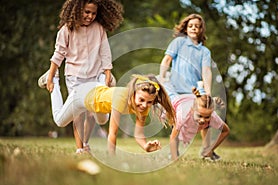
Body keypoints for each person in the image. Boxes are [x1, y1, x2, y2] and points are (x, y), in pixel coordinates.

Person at [38, 0, 123, 154]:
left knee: (96, 115)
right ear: (77, 10)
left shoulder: (99, 29)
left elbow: (105, 52)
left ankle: (85, 142)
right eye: (87, 12)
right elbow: (58, 55)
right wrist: (51, 77)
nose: (90, 16)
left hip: (96, 75)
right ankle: (80, 148)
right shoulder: (66, 30)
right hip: (75, 77)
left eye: (93, 13)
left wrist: (107, 75)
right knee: (79, 113)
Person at [38, 72, 176, 154]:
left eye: (149, 102)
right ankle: (54, 80)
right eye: (141, 100)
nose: (144, 105)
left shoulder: (144, 105)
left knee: (102, 120)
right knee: (59, 120)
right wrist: (112, 158)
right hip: (82, 95)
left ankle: (102, 77)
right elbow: (113, 133)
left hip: (99, 94)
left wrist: (146, 146)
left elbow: (138, 133)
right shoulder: (122, 97)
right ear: (133, 93)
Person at [159, 13, 217, 159]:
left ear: (201, 29)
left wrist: (208, 92)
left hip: (195, 89)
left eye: (197, 26)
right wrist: (162, 77)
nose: (193, 28)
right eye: (190, 26)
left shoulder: (205, 51)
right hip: (176, 88)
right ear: (186, 28)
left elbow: (206, 71)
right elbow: (166, 60)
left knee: (207, 116)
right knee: (178, 119)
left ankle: (207, 150)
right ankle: (174, 151)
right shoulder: (178, 42)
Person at [169, 87, 230, 161]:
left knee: (207, 124)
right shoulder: (183, 115)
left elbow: (226, 131)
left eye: (207, 116)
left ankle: (207, 151)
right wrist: (174, 157)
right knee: (176, 130)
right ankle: (174, 151)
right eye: (200, 116)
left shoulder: (213, 116)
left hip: (196, 113)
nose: (202, 120)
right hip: (175, 107)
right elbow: (173, 136)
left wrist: (210, 149)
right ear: (192, 110)